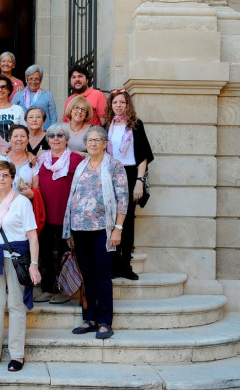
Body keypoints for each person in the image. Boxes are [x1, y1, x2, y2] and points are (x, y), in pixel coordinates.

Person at [63, 126, 128, 340]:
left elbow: (122, 200)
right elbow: (73, 198)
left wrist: (117, 228)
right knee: (87, 276)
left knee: (102, 276)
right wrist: (70, 232)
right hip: (79, 229)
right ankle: (89, 318)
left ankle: (105, 321)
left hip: (103, 229)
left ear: (104, 144)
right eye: (89, 140)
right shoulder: (82, 165)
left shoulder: (114, 166)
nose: (92, 143)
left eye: (96, 140)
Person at [0, 160, 41, 372]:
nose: (1, 179)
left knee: (15, 305)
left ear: (12, 178)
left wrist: (33, 264)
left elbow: (32, 236)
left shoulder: (22, 202)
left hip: (16, 257)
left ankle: (17, 355)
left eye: (5, 175)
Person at [105, 89, 154, 280]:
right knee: (111, 218)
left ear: (127, 105)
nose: (118, 105)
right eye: (115, 102)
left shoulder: (135, 125)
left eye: (122, 102)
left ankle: (125, 265)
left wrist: (139, 182)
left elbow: (143, 156)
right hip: (111, 173)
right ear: (110, 105)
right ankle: (113, 264)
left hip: (131, 173)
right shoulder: (106, 125)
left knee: (128, 219)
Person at [33, 124, 83, 304]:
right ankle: (47, 289)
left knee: (65, 254)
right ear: (47, 139)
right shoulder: (41, 159)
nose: (55, 138)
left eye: (60, 135)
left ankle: (64, 291)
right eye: (52, 135)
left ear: (66, 138)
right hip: (44, 214)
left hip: (66, 216)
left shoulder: (76, 159)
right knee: (45, 254)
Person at [0, 125, 38, 198]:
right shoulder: (0, 158)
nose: (19, 139)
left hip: (22, 207)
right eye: (15, 136)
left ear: (28, 140)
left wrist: (32, 194)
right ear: (9, 139)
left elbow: (36, 188)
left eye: (22, 136)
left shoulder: (32, 162)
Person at [11, 64, 57, 130]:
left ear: (41, 80)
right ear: (26, 80)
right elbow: (12, 114)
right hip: (24, 134)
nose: (33, 82)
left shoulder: (48, 95)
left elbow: (53, 117)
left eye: (36, 79)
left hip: (43, 134)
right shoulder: (19, 94)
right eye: (30, 79)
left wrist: (51, 132)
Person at [0, 75, 26, 142]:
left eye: (3, 87)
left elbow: (24, 132)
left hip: (15, 150)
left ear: (9, 90)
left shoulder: (18, 109)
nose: (0, 90)